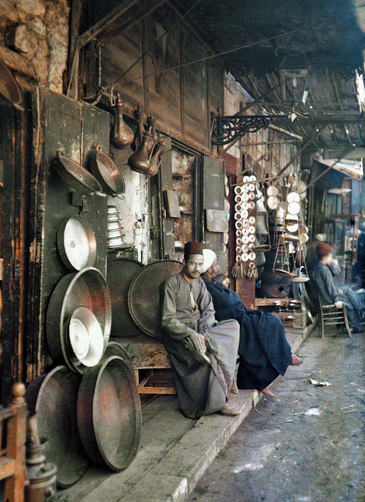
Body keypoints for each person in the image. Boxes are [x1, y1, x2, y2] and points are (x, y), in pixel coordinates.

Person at [201, 249, 302, 398]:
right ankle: (284, 357)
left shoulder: (213, 282)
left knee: (271, 321)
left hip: (242, 315)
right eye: (215, 264)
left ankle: (285, 356)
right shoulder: (205, 288)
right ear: (209, 268)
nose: (217, 267)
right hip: (234, 322)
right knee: (270, 323)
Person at [161, 242, 240, 419]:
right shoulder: (171, 284)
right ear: (184, 261)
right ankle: (219, 404)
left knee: (233, 326)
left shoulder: (200, 284)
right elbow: (167, 320)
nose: (197, 268)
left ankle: (210, 348)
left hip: (200, 331)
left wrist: (203, 333)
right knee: (210, 356)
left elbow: (208, 311)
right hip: (180, 335)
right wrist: (191, 334)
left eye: (200, 264)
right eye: (193, 263)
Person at [309, 243, 364, 333]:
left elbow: (328, 284)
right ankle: (353, 325)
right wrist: (336, 299)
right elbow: (330, 286)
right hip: (327, 298)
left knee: (347, 289)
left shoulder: (318, 266)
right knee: (347, 301)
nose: (331, 257)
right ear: (326, 256)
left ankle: (360, 310)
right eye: (330, 256)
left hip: (324, 294)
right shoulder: (324, 270)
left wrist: (333, 264)